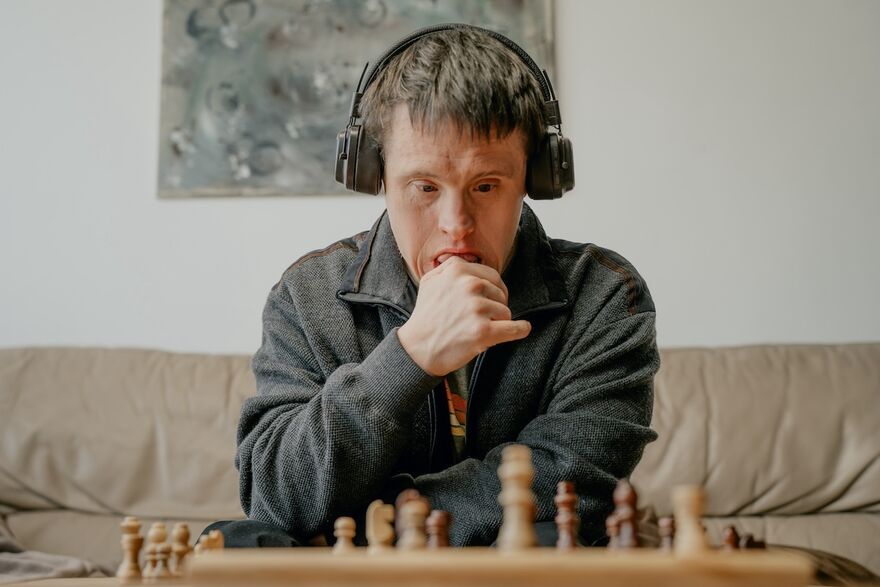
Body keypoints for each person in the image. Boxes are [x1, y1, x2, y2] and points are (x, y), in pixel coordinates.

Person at [209, 23, 659, 549]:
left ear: (535, 178)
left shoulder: (603, 296)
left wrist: (370, 522)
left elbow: (574, 485)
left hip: (505, 572)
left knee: (545, 537)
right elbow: (276, 496)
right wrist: (410, 356)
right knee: (242, 542)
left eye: (486, 186)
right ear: (375, 176)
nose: (457, 224)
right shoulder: (306, 296)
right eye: (424, 186)